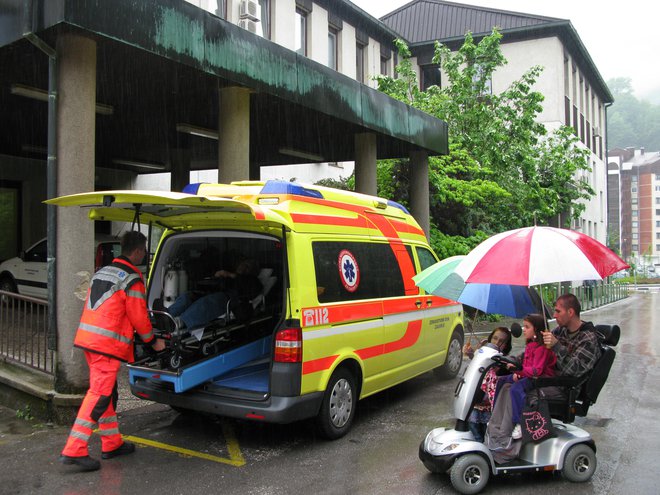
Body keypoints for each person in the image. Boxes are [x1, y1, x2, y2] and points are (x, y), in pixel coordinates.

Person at [60, 231, 165, 472]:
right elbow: (139, 319)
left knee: (103, 394)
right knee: (98, 395)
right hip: (106, 346)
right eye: (144, 251)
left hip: (89, 340)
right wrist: (153, 342)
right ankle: (74, 449)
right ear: (138, 251)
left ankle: (111, 443)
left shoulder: (103, 272)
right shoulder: (132, 279)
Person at [494, 314, 556, 440]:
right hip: (527, 376)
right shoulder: (531, 345)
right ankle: (495, 416)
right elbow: (524, 364)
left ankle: (519, 422)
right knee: (500, 382)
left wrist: (520, 371)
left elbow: (536, 370)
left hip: (539, 380)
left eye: (527, 327)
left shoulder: (542, 349)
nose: (524, 329)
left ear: (537, 330)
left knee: (516, 388)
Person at [168, 258, 262, 329]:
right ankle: (167, 315)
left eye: (248, 266)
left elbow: (251, 289)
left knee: (208, 302)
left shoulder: (254, 281)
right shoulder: (230, 275)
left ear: (253, 271)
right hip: (212, 292)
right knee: (188, 296)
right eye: (243, 263)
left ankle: (180, 322)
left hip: (228, 298)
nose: (243, 267)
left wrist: (230, 275)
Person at [541, 293, 602, 385]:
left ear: (570, 312)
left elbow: (575, 369)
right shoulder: (561, 330)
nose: (554, 315)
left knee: (526, 393)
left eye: (558, 311)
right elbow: (540, 350)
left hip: (566, 388)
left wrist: (556, 346)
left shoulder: (588, 338)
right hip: (551, 378)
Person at [466, 327, 513, 443]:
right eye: (495, 339)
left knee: (488, 439)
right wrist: (473, 355)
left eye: (501, 341)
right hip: (475, 406)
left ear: (506, 345)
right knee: (474, 438)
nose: (497, 343)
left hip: (492, 410)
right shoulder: (482, 356)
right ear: (490, 339)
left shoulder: (507, 363)